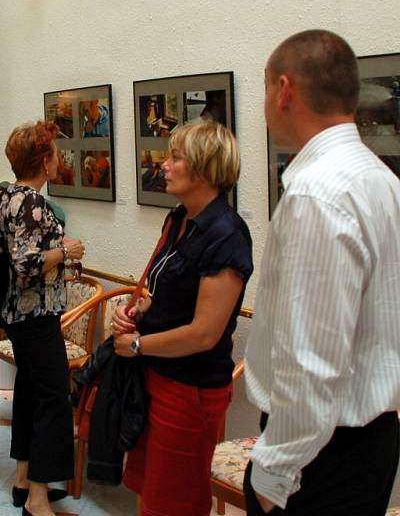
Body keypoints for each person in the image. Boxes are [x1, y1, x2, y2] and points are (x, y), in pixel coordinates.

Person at [244, 30, 400, 515]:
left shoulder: (318, 194)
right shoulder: (382, 180)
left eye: (265, 86)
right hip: (371, 442)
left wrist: (272, 478)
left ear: (283, 90)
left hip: (318, 458)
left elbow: (310, 364)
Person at [111, 120, 253, 516]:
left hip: (189, 390)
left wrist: (136, 345)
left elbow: (204, 334)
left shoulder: (227, 234)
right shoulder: (178, 219)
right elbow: (166, 294)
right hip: (155, 378)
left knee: (175, 502)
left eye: (176, 158)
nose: (164, 165)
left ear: (205, 168)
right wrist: (136, 312)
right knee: (150, 491)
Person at [0, 121, 85, 516]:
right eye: (54, 152)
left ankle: (22, 480)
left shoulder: (9, 197)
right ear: (43, 160)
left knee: (31, 393)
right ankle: (36, 498)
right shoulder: (31, 202)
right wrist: (66, 252)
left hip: (20, 314)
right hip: (35, 315)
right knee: (53, 399)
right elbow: (25, 263)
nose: (59, 158)